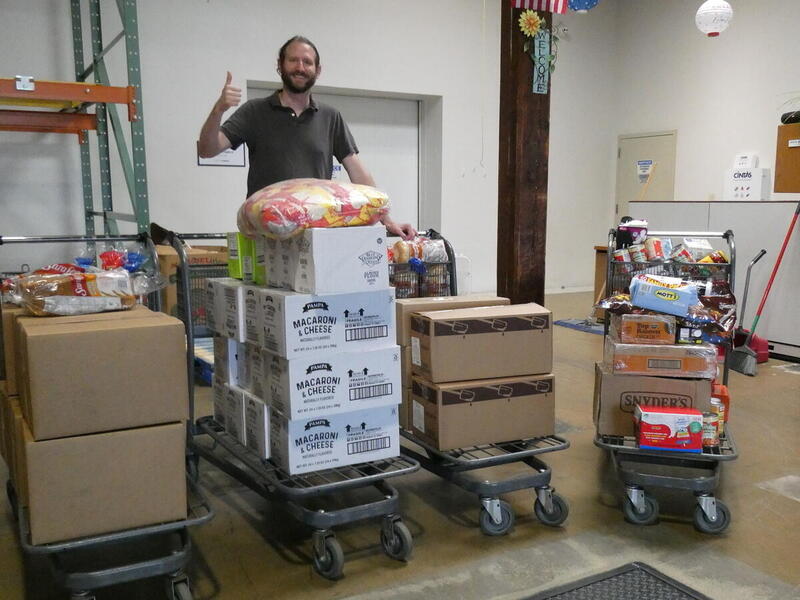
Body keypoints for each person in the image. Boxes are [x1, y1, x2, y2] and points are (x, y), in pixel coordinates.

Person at [198, 35, 416, 240]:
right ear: (280, 65)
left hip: (316, 236)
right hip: (266, 236)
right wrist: (218, 110)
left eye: (307, 62)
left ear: (317, 70)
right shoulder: (254, 111)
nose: (300, 67)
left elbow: (357, 171)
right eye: (293, 60)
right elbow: (207, 150)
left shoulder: (330, 117)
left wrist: (387, 220)